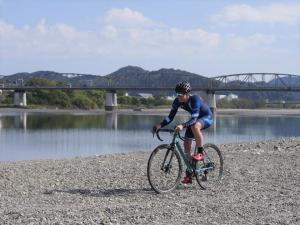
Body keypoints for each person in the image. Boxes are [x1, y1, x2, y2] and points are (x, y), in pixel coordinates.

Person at [152, 81, 213, 184]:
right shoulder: (177, 101)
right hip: (194, 120)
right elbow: (170, 117)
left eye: (180, 94)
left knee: (195, 125)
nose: (178, 96)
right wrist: (160, 125)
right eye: (177, 94)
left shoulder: (195, 100)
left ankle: (200, 153)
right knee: (187, 147)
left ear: (187, 93)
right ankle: (191, 172)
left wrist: (182, 125)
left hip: (206, 117)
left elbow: (194, 119)